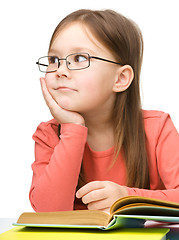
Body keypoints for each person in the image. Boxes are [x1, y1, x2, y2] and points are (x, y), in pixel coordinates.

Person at [29, 9, 179, 213]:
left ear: (120, 79)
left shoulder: (157, 128)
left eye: (80, 58)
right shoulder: (49, 135)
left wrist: (127, 198)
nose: (60, 71)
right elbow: (49, 213)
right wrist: (72, 129)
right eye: (54, 60)